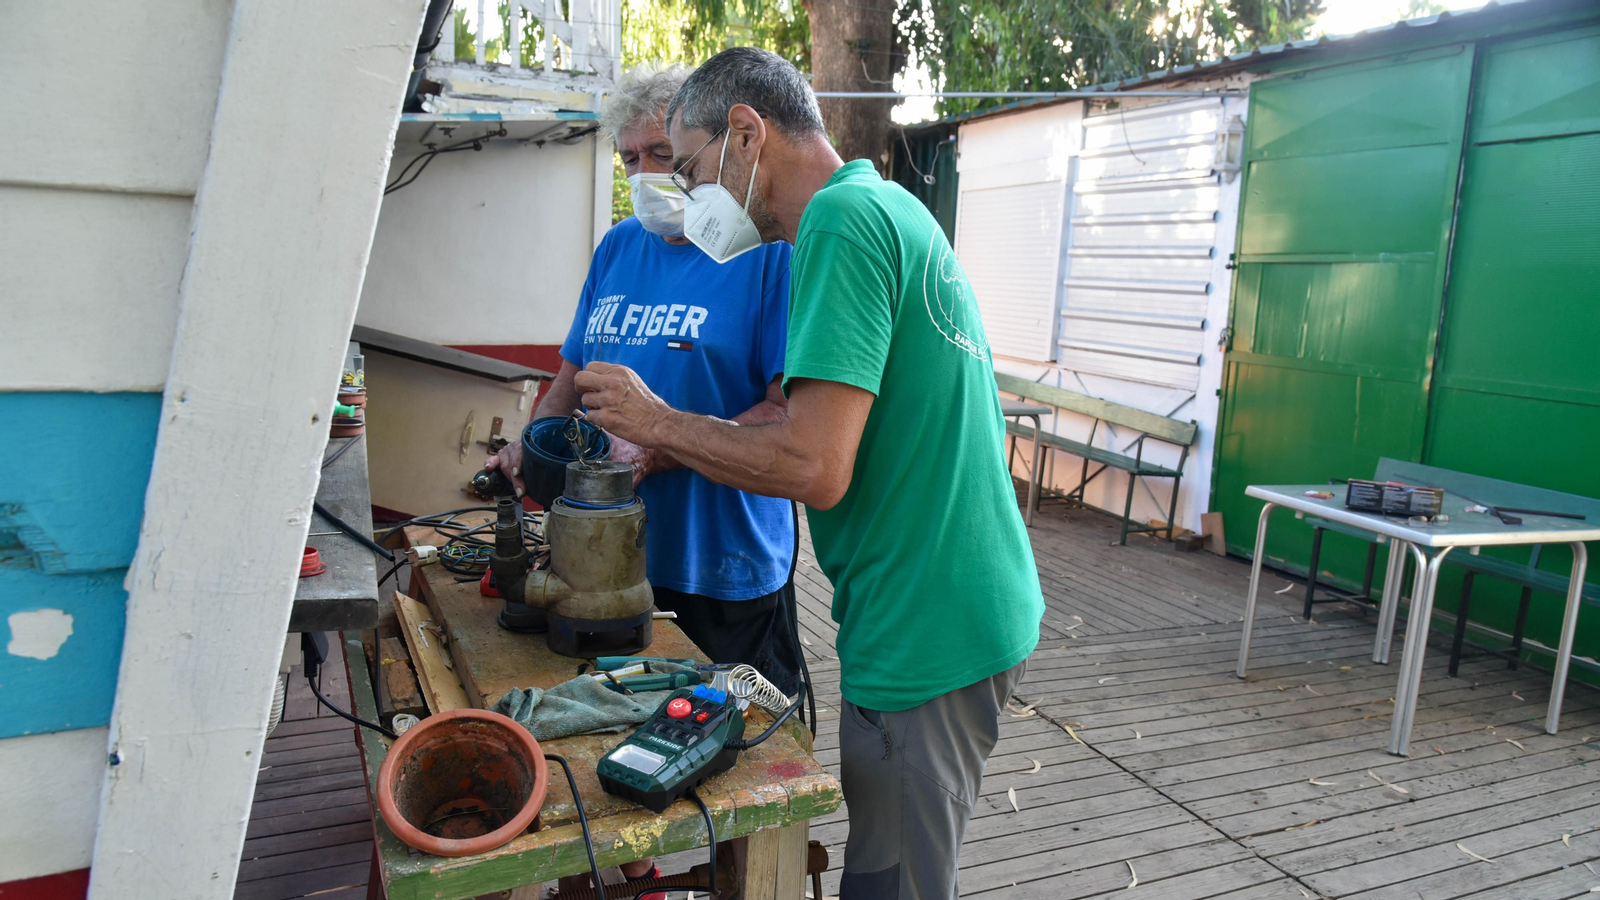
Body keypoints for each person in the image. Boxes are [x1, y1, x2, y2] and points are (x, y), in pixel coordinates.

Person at [573, 47, 1045, 900]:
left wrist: (658, 423)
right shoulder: (881, 207)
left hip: (926, 630)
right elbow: (813, 418)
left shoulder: (839, 222)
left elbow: (813, 465)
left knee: (890, 883)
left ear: (747, 135)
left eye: (689, 168)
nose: (684, 193)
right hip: (957, 606)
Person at [483, 63, 804, 890]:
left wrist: (665, 442)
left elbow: (788, 413)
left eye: (663, 152)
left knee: (741, 778)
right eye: (628, 159)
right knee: (614, 775)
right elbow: (568, 376)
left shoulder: (762, 254)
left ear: (709, 149)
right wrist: (532, 445)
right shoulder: (619, 248)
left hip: (724, 571)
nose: (647, 176)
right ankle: (635, 881)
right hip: (612, 572)